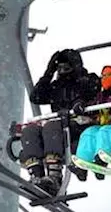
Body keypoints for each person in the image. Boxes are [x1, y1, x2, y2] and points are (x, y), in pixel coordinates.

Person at [19, 49, 100, 196]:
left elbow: (92, 90)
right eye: (60, 68)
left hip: (79, 125)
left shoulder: (88, 80)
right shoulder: (56, 86)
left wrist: (79, 100)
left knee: (51, 127)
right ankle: (37, 176)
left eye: (66, 68)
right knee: (30, 130)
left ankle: (54, 177)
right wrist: (48, 72)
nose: (63, 72)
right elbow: (36, 97)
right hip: (59, 126)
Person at [72, 65, 111, 179]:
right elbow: (93, 106)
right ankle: (82, 163)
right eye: (103, 76)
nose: (104, 78)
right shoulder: (101, 96)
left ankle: (101, 159)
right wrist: (82, 106)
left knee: (104, 132)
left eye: (108, 75)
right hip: (102, 125)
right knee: (89, 132)